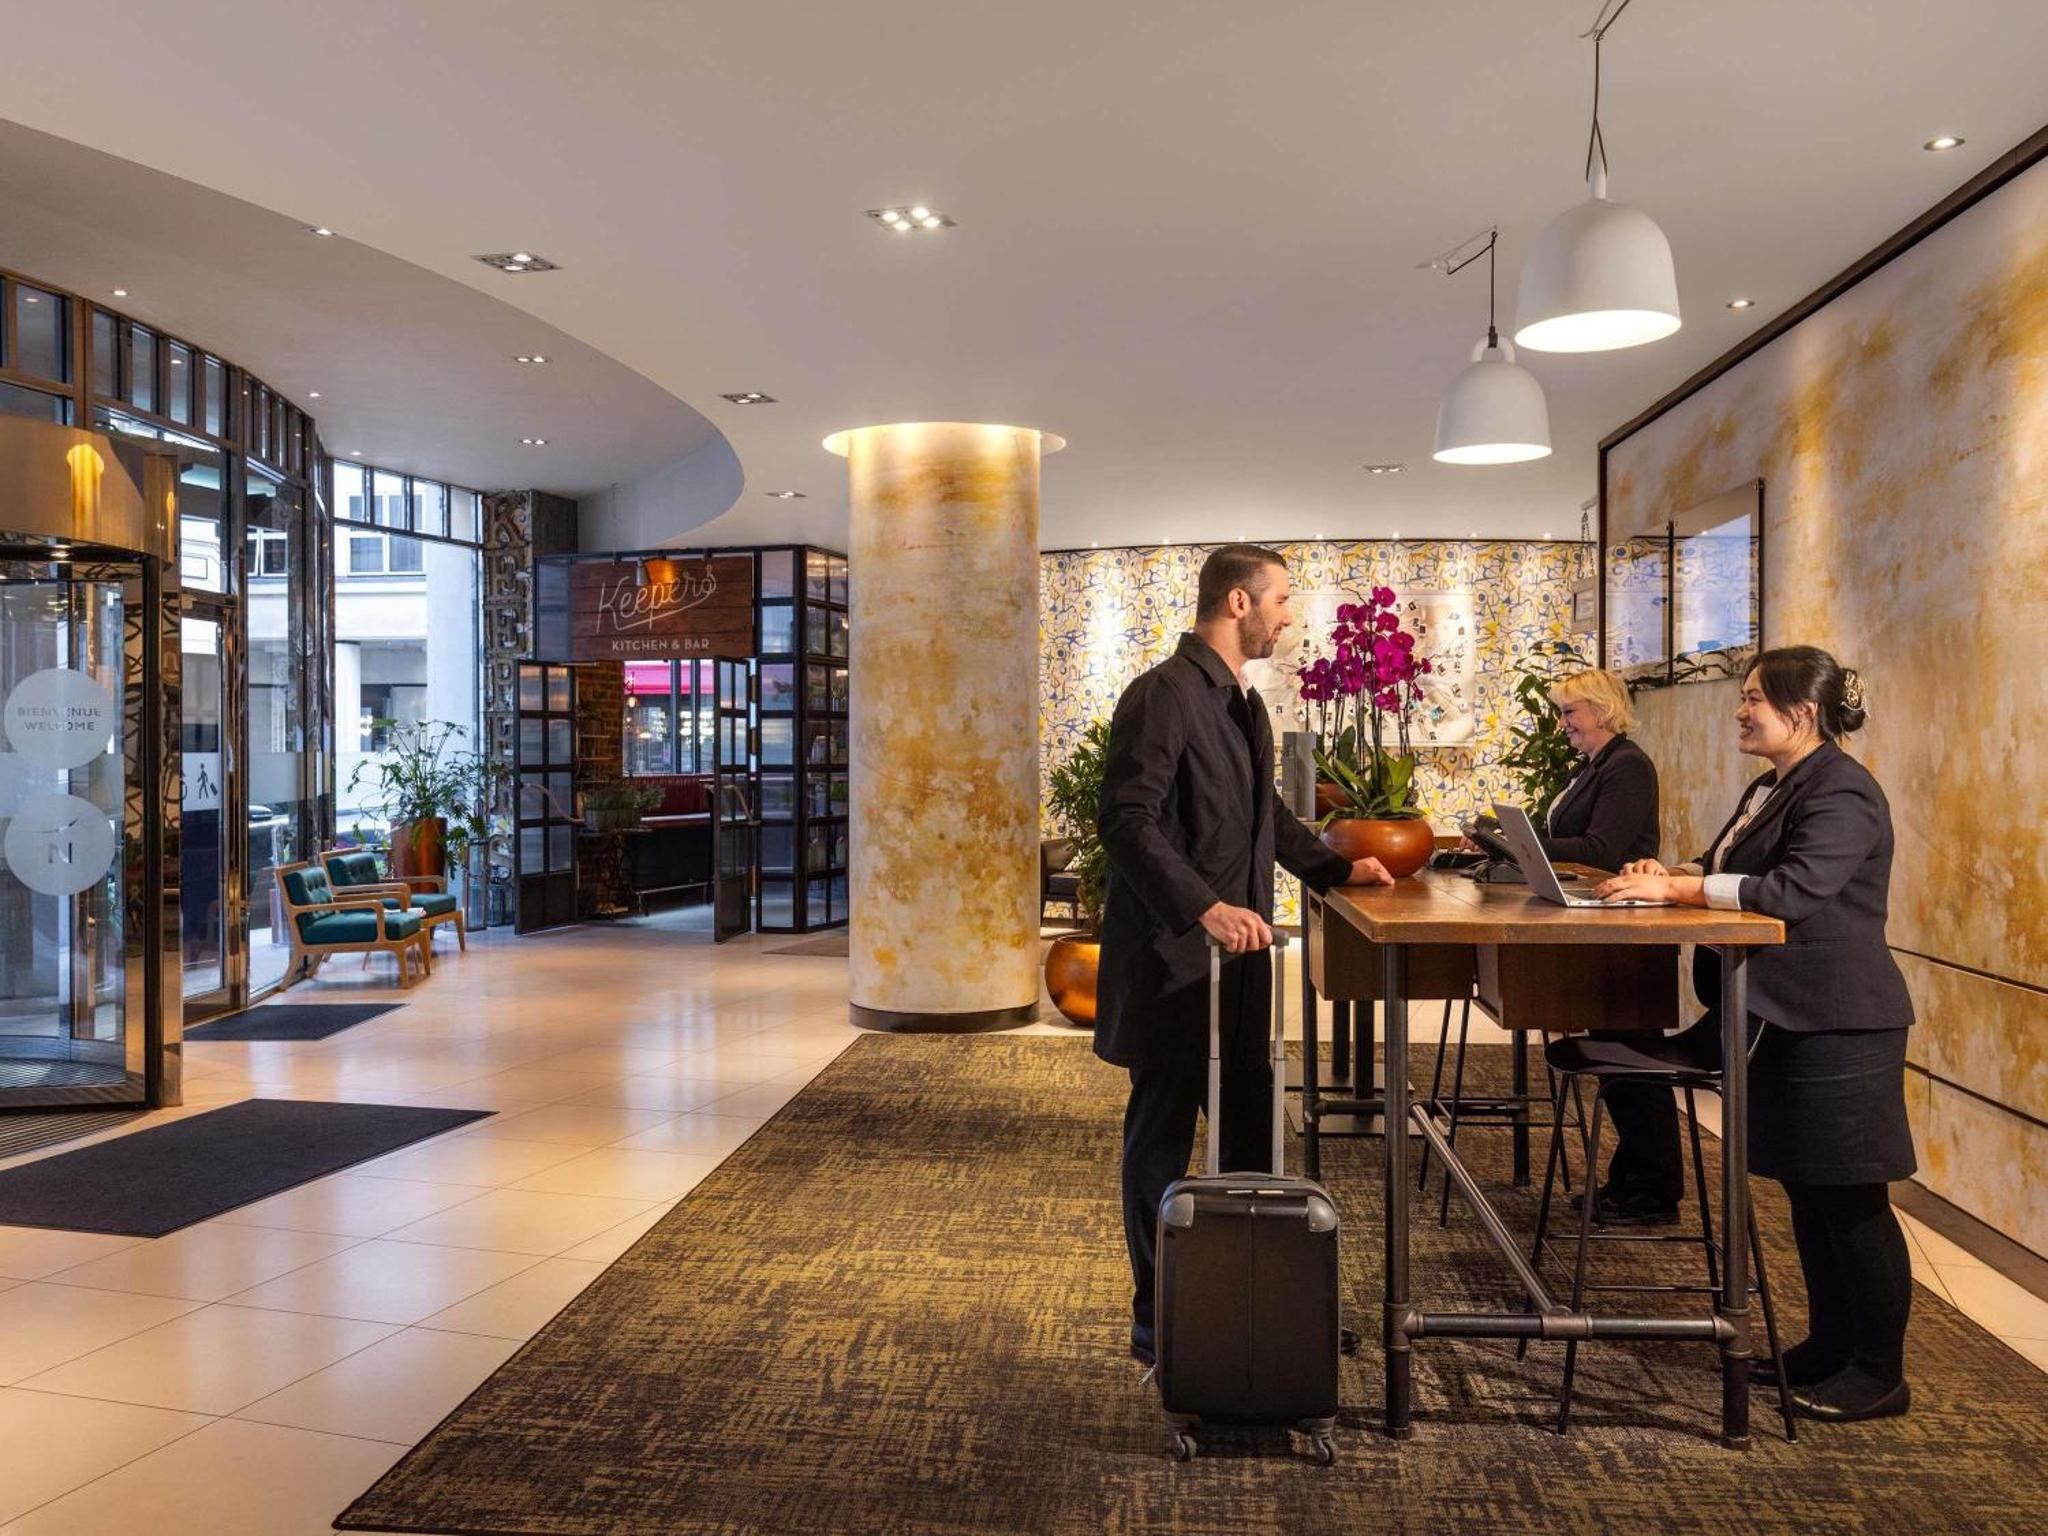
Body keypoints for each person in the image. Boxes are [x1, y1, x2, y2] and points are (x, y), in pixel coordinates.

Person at [1596, 646, 1915, 1423]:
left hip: (1838, 1023)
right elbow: (1720, 866)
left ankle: (1879, 1372)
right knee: (1809, 1195)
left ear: (1802, 711)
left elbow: (1793, 890)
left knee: (1851, 1202)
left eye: (1752, 699)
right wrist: (1665, 870)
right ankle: (1827, 1346)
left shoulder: (1843, 791)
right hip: (1779, 1018)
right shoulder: (1775, 784)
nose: (1740, 710)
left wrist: (1685, 886)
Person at [1094, 545, 1395, 1368]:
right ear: (1238, 602)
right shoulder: (1162, 696)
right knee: (1158, 1142)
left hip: (1239, 966)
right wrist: (1204, 907)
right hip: (1173, 965)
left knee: (1252, 1135)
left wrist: (1336, 866)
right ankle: (1161, 1322)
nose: (1290, 615)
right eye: (1282, 600)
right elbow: (1127, 821)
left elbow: (1264, 818)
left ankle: (1263, 1302)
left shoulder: (1241, 703)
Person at [1533, 669, 1675, 1226]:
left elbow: (1600, 848)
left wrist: (1525, 846)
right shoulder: (1593, 767)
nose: (1562, 723)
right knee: (1618, 1053)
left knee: (1632, 1056)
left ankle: (1650, 1189)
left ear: (1601, 708)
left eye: (1569, 712)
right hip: (1603, 924)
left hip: (1627, 933)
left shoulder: (1628, 767)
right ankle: (1633, 1180)